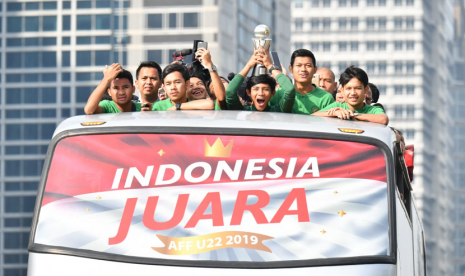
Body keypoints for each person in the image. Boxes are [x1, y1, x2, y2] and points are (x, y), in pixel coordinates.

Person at [312, 66, 389, 125]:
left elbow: (383, 119)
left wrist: (352, 115)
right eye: (348, 88)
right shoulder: (337, 106)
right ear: (342, 90)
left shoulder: (373, 110)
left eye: (358, 88)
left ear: (365, 90)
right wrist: (335, 113)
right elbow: (313, 116)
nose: (353, 93)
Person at [226, 47, 295, 112]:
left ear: (273, 93)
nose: (261, 93)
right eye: (256, 89)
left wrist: (270, 66)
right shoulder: (242, 111)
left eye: (266, 89)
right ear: (248, 92)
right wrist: (248, 65)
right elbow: (230, 92)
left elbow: (290, 90)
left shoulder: (278, 111)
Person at [269, 49, 334, 114]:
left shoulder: (326, 98)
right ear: (291, 69)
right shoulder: (278, 94)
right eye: (299, 65)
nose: (303, 69)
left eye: (308, 65)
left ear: (315, 69)